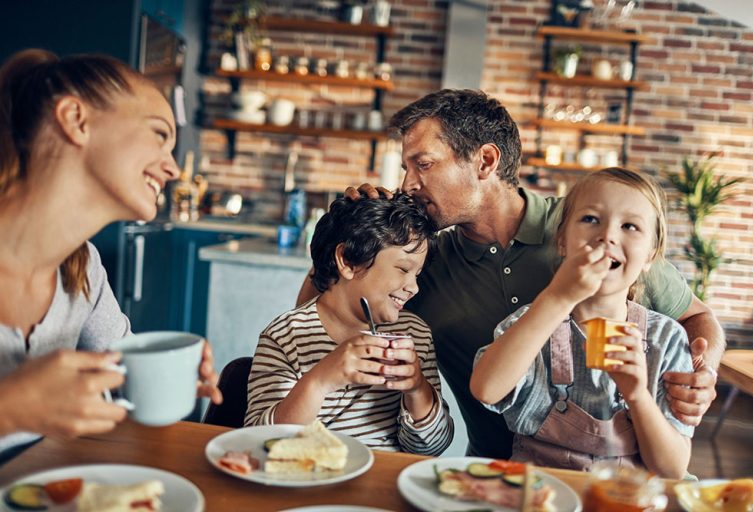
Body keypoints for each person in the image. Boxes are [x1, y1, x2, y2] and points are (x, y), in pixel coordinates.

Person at [298, 89, 725, 459]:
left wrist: (703, 374)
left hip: (614, 466)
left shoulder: (587, 228)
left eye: (422, 164)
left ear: (485, 161)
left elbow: (696, 318)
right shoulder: (423, 262)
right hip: (493, 466)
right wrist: (349, 233)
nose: (408, 183)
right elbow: (309, 320)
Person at [0, 49, 222, 461]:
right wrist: (10, 408)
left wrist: (165, 372)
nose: (172, 170)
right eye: (159, 135)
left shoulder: (80, 266)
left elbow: (120, 366)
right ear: (76, 120)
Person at [471, 168, 692, 478]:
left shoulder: (666, 340)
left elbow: (672, 468)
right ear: (562, 241)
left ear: (650, 257)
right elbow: (486, 389)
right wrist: (558, 298)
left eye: (630, 225)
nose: (608, 236)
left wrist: (638, 395)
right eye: (591, 219)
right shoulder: (530, 326)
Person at [245, 194, 453, 455]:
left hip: (381, 487)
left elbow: (432, 448)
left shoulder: (415, 335)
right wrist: (321, 380)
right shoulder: (286, 337)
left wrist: (417, 387)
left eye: (417, 274)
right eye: (402, 269)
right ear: (348, 261)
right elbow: (260, 442)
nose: (413, 287)